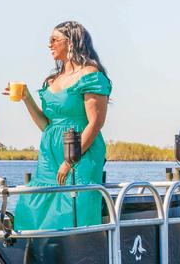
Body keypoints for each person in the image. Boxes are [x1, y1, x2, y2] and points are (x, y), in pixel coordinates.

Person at [10, 21, 111, 230]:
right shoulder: (52, 79)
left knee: (72, 208)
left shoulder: (89, 75)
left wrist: (70, 160)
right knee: (33, 204)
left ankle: (78, 254)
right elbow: (46, 125)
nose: (49, 45)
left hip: (79, 152)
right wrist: (27, 98)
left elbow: (95, 123)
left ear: (72, 42)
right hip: (49, 152)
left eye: (54, 40)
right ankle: (40, 255)